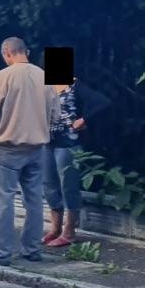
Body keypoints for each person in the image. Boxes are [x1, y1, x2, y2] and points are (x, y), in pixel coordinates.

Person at [0, 37, 56, 266]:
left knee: (4, 200)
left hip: (7, 148)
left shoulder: (3, 77)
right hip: (38, 148)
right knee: (35, 200)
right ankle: (32, 249)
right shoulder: (45, 75)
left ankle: (0, 253)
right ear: (25, 51)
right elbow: (56, 114)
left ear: (7, 52)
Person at [42, 76, 111, 247]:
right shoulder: (44, 85)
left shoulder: (75, 85)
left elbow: (102, 102)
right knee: (48, 185)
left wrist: (83, 120)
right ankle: (55, 229)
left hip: (68, 144)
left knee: (68, 185)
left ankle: (69, 231)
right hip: (46, 142)